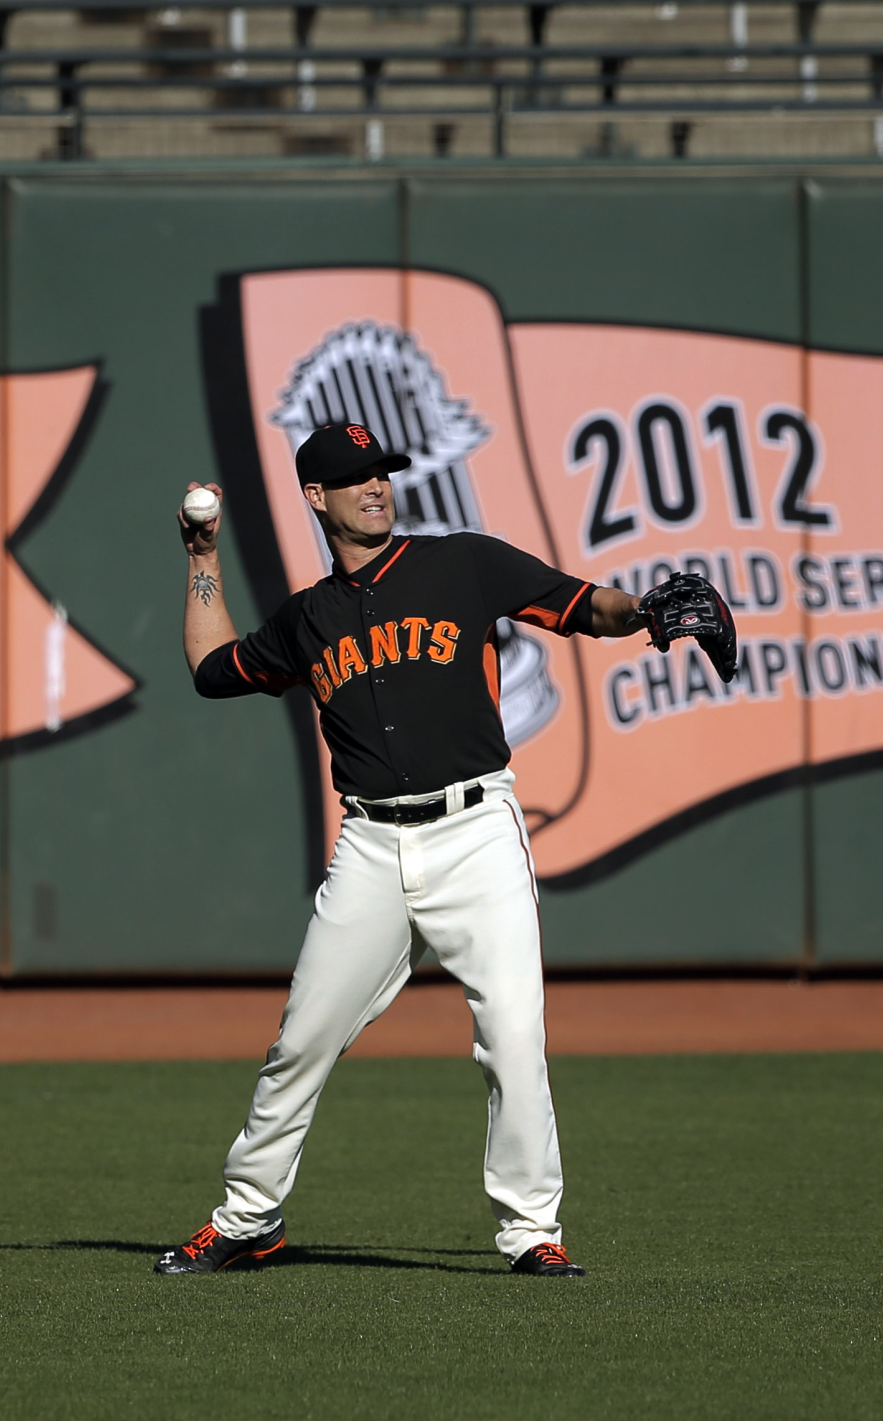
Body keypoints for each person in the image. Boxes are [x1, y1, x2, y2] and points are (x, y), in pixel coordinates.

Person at [156, 421, 647, 1279]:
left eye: (381, 471)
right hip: (372, 844)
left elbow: (584, 605)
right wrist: (203, 555)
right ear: (317, 497)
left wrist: (646, 612)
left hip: (475, 831)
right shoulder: (309, 618)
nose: (376, 486)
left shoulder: (463, 562)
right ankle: (248, 1218)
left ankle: (532, 1231)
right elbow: (209, 667)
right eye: (355, 477)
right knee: (300, 1041)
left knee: (513, 1035)